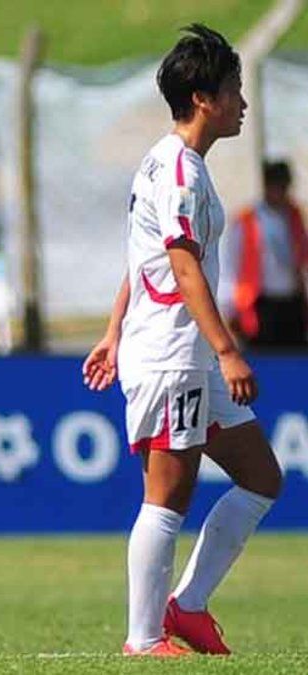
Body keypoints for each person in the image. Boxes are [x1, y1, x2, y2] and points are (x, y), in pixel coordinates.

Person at [83, 25, 282, 657]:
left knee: (260, 476)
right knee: (167, 494)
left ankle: (188, 607)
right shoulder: (177, 171)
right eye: (234, 89)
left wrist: (113, 331)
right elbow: (181, 263)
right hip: (175, 354)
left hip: (179, 351)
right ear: (204, 98)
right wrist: (228, 350)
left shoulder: (172, 163)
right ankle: (143, 640)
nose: (242, 103)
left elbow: (141, 261)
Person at [220, 159, 308, 349]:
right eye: (276, 185)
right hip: (259, 304)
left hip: (292, 303)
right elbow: (231, 265)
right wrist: (230, 307)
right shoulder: (248, 220)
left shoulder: (294, 217)